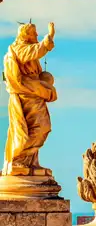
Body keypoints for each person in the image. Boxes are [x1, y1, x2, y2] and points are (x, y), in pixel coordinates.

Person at [2, 21, 57, 176]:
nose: (37, 36)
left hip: (34, 93)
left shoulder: (24, 50)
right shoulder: (19, 49)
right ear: (26, 35)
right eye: (34, 33)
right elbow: (37, 50)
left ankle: (29, 161)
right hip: (27, 94)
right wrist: (49, 37)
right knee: (40, 127)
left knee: (37, 127)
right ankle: (19, 158)